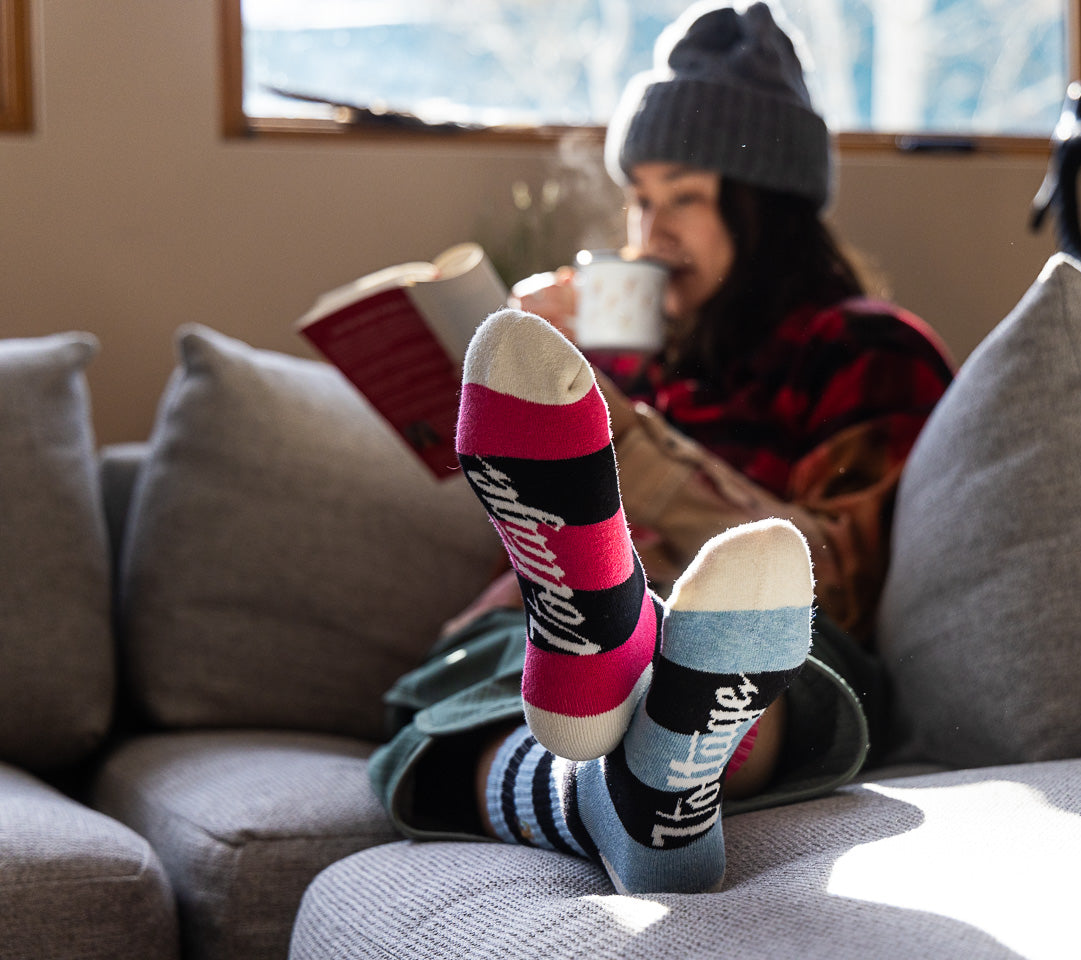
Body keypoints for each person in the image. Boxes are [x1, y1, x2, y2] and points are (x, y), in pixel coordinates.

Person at [368, 0, 956, 895]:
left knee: (769, 652)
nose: (650, 235)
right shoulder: (649, 365)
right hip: (594, 646)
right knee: (464, 686)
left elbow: (833, 570)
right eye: (640, 200)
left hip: (776, 635)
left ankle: (624, 733)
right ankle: (631, 792)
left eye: (685, 196)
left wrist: (619, 436)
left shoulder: (866, 349)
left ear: (769, 208)